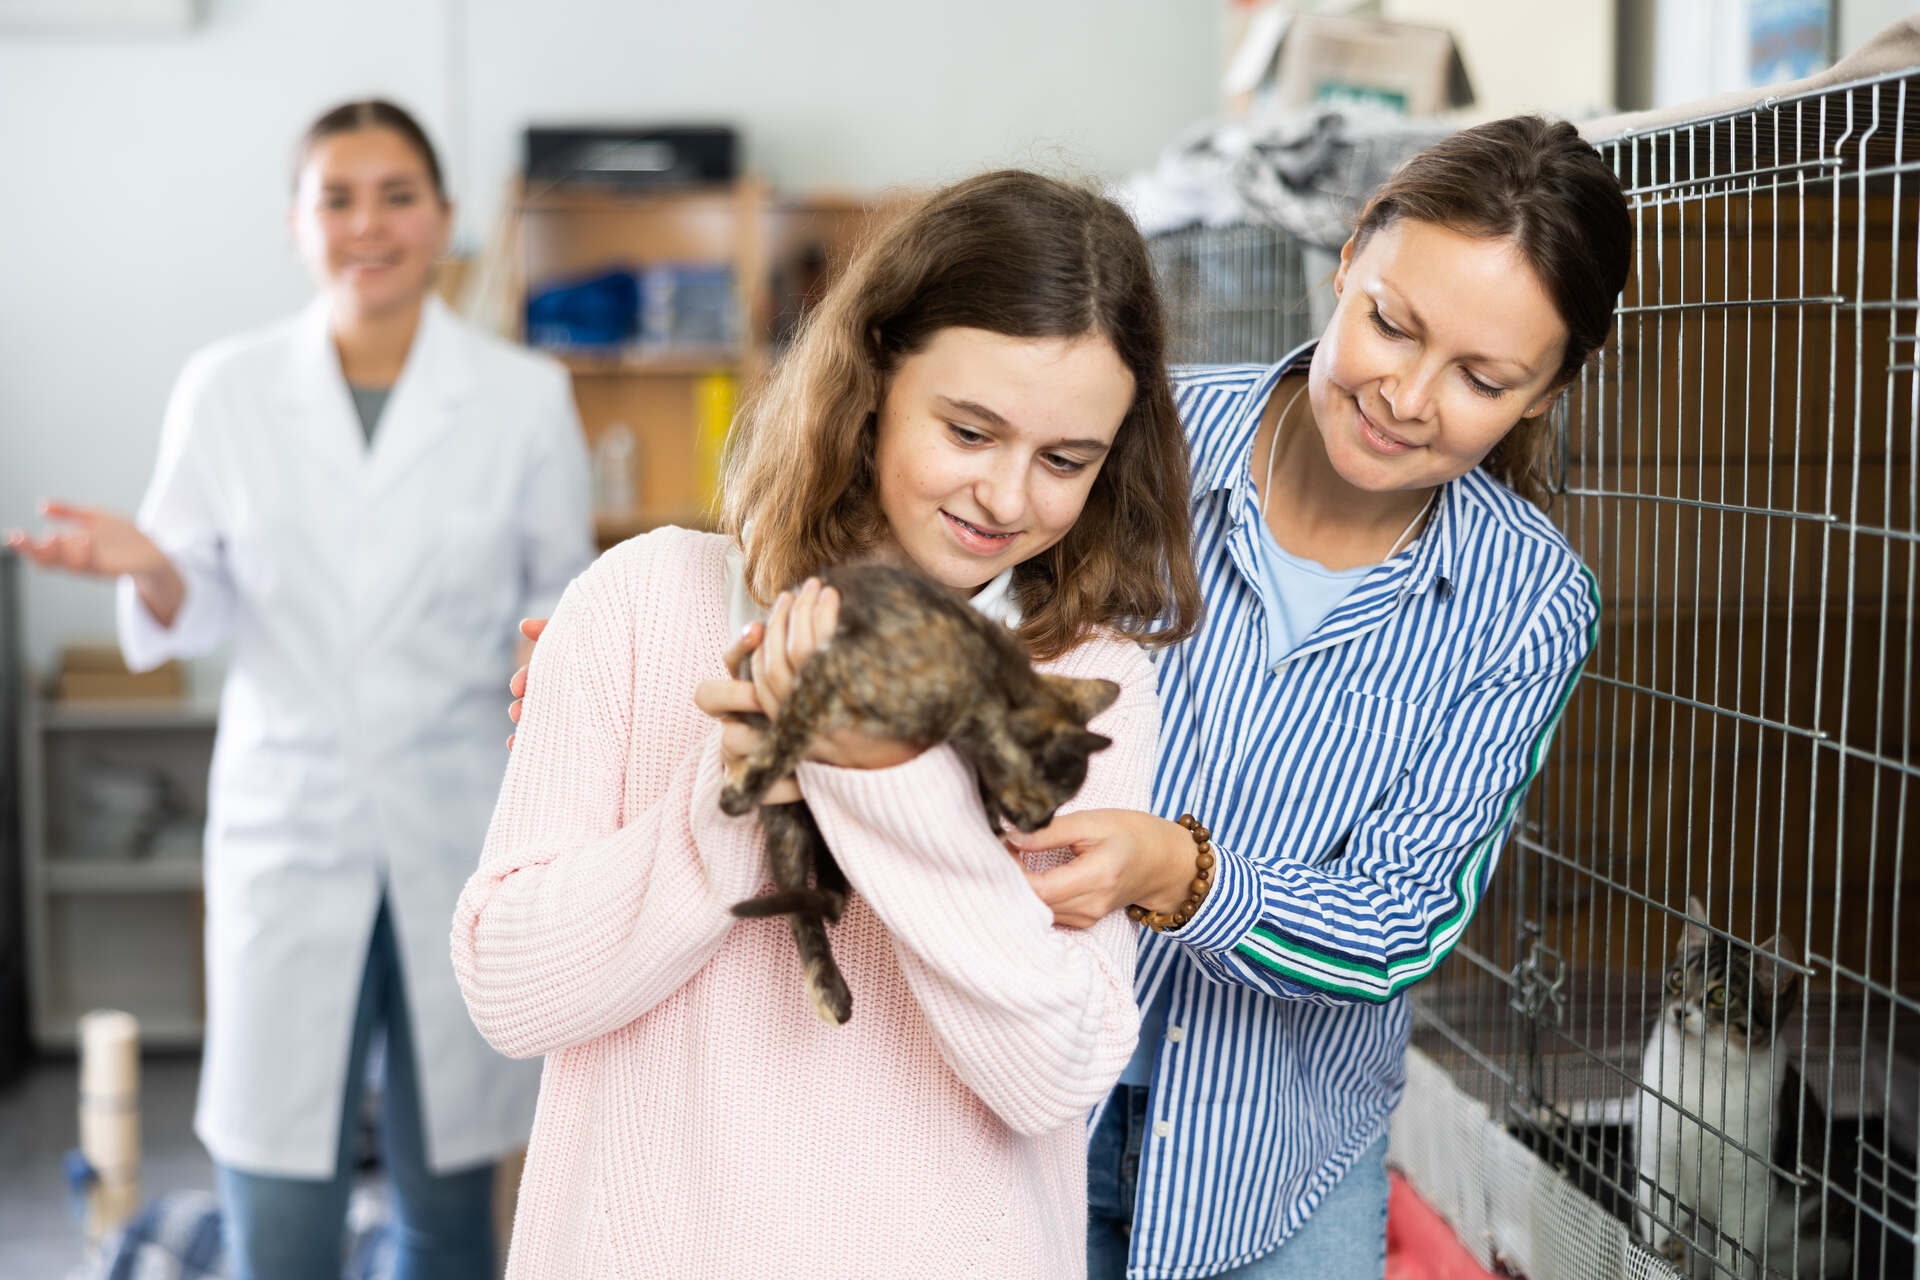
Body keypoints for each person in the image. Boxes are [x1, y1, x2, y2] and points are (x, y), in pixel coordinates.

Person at [453, 169, 1202, 1278]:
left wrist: (883, 776)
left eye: (1064, 461)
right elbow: (512, 992)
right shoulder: (643, 599)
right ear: (873, 377)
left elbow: (1053, 1069)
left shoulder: (1082, 678)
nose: (1005, 496)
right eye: (969, 429)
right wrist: (740, 791)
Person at [1002, 116, 1633, 1278]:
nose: (1406, 394)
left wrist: (1180, 875)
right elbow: (933, 593)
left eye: (1484, 379)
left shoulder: (1528, 600)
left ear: (1545, 394)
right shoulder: (1146, 438)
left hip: (1275, 1161)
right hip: (1013, 1095)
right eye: (1392, 323)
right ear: (1347, 259)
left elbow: (1399, 919)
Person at [8, 100, 592, 1279]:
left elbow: (563, 602)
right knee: (280, 1186)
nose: (366, 223)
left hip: (458, 820)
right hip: (293, 823)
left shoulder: (524, 396)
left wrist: (561, 661)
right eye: (337, 197)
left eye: (395, 195)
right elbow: (199, 605)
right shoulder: (225, 390)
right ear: (296, 222)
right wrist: (156, 569)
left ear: (442, 219)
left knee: (451, 1184)